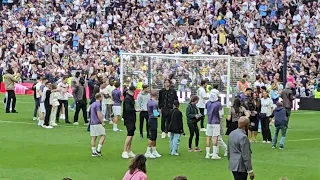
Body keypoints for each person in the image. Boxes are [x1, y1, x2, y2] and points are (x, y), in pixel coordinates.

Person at [205, 90, 225, 159]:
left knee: (208, 137)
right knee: (215, 137)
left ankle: (207, 154)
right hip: (216, 122)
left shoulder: (207, 103)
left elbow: (205, 113)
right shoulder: (218, 104)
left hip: (209, 122)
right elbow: (221, 114)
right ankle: (214, 154)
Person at [122, 86, 140, 159]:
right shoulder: (127, 99)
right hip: (128, 118)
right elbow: (128, 109)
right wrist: (135, 110)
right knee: (129, 134)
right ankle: (124, 151)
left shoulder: (130, 97)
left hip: (132, 118)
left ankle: (129, 150)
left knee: (131, 134)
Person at [144, 90, 161, 159]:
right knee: (152, 136)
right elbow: (155, 113)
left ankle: (154, 151)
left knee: (154, 136)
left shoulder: (149, 101)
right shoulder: (154, 103)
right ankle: (148, 151)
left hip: (150, 119)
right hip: (153, 119)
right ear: (156, 95)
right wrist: (159, 113)